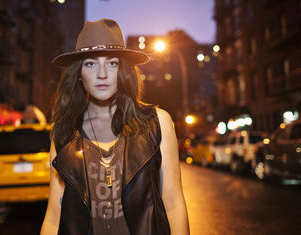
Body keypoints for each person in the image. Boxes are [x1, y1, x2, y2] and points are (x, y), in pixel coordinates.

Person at [41, 19, 190, 235]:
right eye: (91, 63)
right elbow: (55, 215)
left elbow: (174, 203)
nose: (102, 74)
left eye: (112, 63)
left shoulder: (157, 122)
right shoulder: (64, 131)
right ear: (79, 74)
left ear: (124, 70)